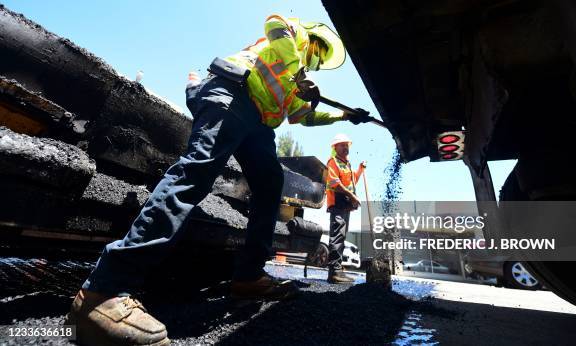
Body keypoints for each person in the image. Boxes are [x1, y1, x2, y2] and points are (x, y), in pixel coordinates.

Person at [66, 15, 370, 346]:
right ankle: (104, 290)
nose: (316, 56)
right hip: (231, 93)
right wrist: (297, 71)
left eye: (320, 57)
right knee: (197, 173)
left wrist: (344, 115)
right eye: (317, 49)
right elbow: (275, 24)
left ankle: (249, 276)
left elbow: (301, 115)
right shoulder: (291, 35)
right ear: (311, 39)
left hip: (258, 123)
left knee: (270, 188)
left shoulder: (300, 81)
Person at [325, 134, 366, 284]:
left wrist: (360, 169)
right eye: (341, 145)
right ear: (335, 148)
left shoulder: (346, 164)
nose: (345, 147)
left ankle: (338, 269)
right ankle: (334, 273)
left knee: (341, 237)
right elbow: (335, 184)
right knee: (337, 236)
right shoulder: (333, 162)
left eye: (346, 145)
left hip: (346, 205)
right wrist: (353, 197)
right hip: (337, 203)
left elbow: (352, 182)